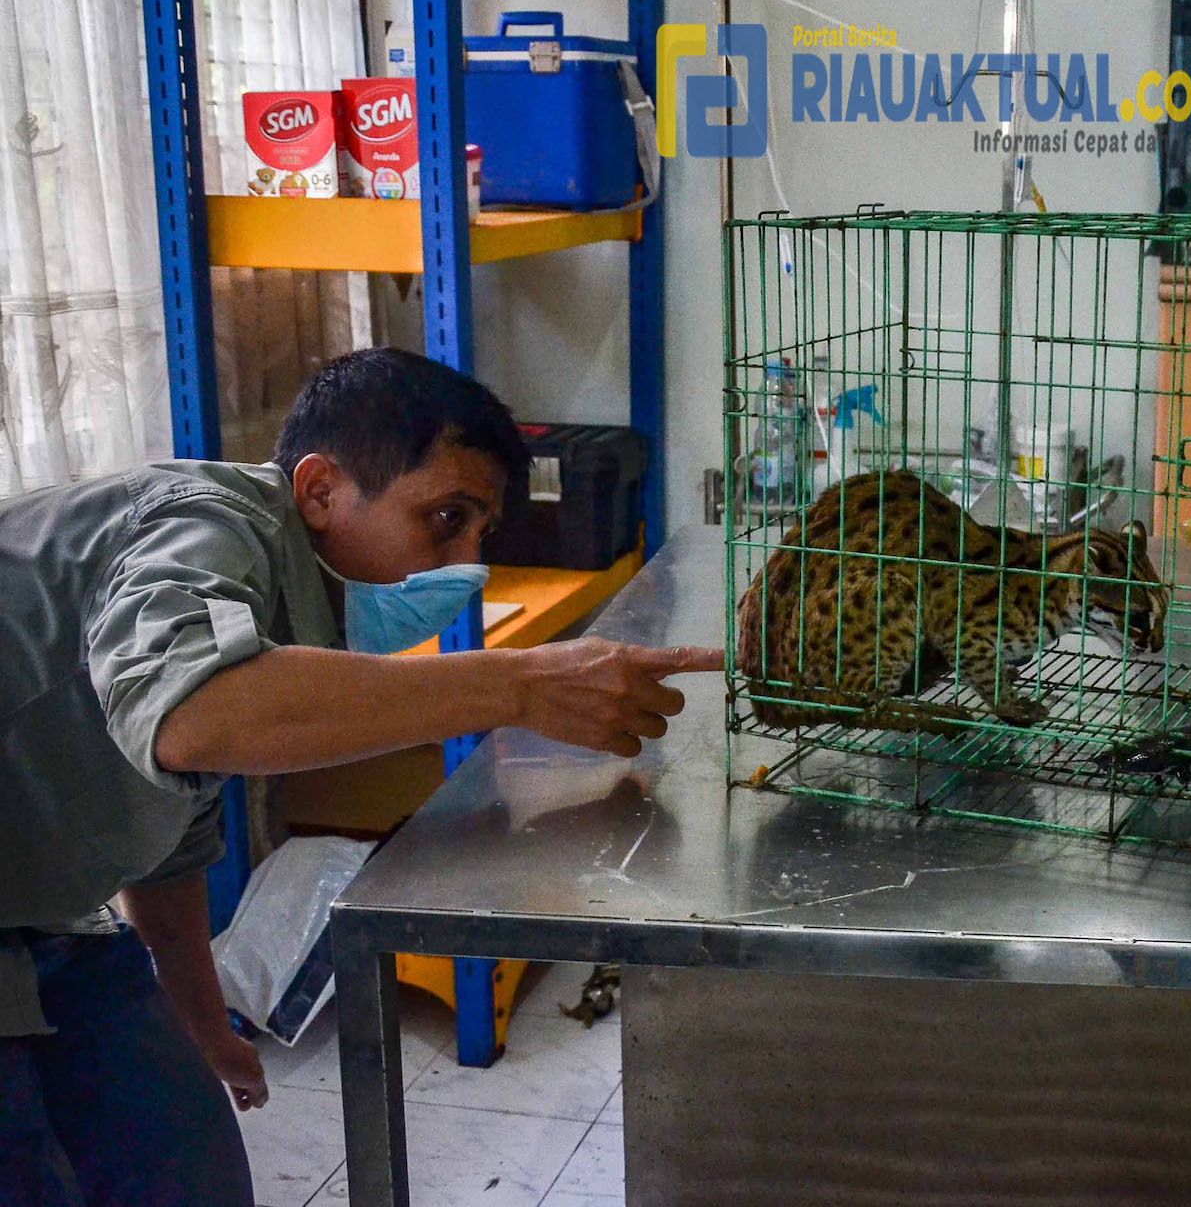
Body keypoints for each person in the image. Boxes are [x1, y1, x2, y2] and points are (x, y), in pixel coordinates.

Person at [0, 348, 721, 1205]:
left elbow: (169, 833)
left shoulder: (275, 601)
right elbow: (193, 717)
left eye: (479, 533)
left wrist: (199, 1020)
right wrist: (520, 683)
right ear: (318, 491)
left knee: (184, 1170)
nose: (462, 564)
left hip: (50, 918)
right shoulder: (204, 522)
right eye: (444, 518)